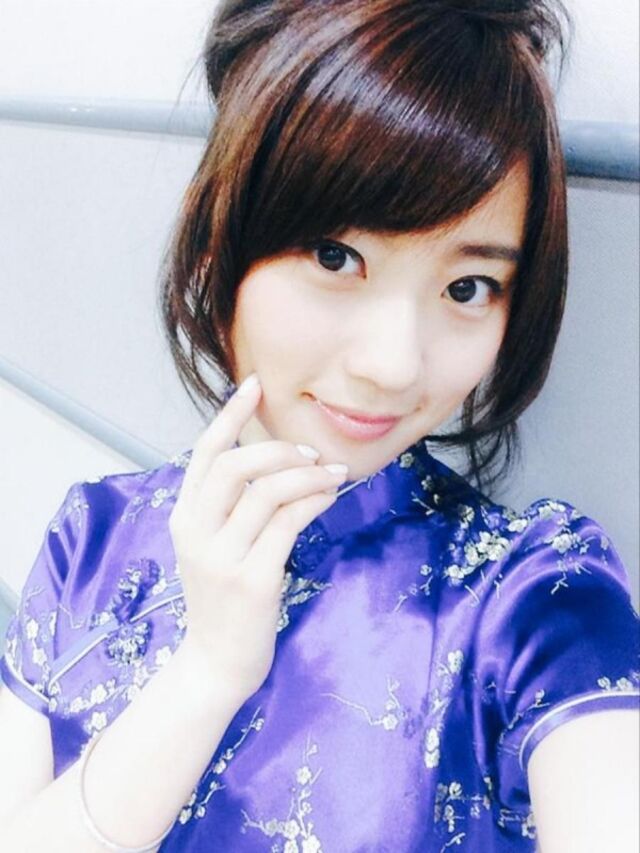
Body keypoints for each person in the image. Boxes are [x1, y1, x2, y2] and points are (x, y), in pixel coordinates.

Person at [0, 0, 638, 850]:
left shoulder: (528, 596)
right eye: (337, 257)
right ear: (219, 245)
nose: (395, 364)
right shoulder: (94, 538)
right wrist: (207, 672)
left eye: (466, 287)